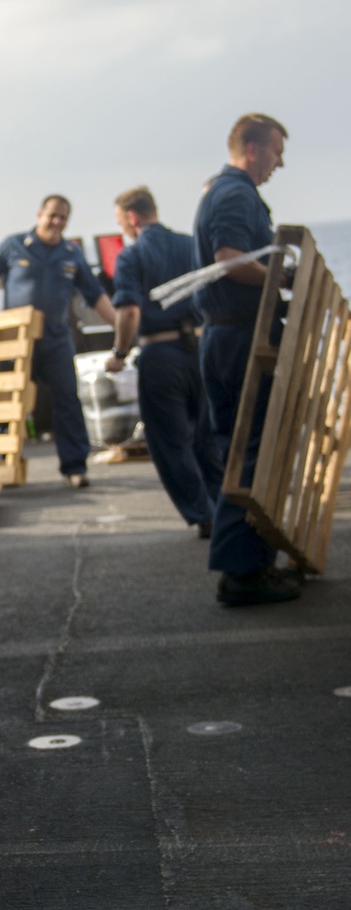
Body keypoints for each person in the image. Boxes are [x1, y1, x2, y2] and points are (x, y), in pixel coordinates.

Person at [192, 112, 300, 607]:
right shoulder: (235, 193)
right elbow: (230, 258)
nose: (280, 162)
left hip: (223, 337)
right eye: (277, 151)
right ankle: (242, 573)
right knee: (250, 451)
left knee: (242, 447)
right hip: (237, 340)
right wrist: (280, 277)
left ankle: (249, 563)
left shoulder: (223, 190)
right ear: (253, 149)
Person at [0, 195, 117, 488]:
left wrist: (120, 325)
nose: (56, 222)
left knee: (67, 400)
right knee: (3, 398)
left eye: (62, 218)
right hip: (16, 339)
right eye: (52, 216)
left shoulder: (71, 253)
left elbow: (95, 295)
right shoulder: (14, 245)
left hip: (55, 339)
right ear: (39, 214)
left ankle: (75, 468)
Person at [106, 186, 222, 537]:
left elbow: (128, 312)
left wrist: (119, 354)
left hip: (161, 353)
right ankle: (226, 509)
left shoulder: (132, 255)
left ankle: (204, 514)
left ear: (131, 217)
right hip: (202, 349)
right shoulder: (192, 245)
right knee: (207, 438)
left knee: (170, 442)